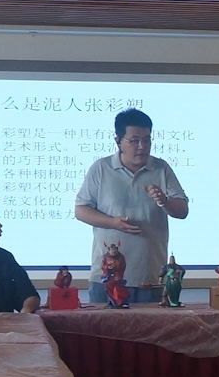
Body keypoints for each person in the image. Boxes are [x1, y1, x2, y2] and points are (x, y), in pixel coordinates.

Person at [74, 108, 189, 304]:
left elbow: (182, 211)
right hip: (107, 277)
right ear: (118, 140)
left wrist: (164, 201)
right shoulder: (101, 168)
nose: (142, 146)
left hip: (150, 277)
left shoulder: (161, 168)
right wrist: (113, 223)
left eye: (147, 140)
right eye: (134, 140)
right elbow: (81, 210)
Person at [100, 242, 130, 308]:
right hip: (109, 277)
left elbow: (123, 266)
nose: (114, 251)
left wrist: (117, 270)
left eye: (115, 249)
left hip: (117, 276)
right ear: (109, 250)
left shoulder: (121, 257)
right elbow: (102, 266)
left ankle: (119, 303)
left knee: (118, 290)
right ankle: (111, 302)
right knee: (109, 290)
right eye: (112, 250)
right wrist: (107, 267)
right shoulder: (105, 257)